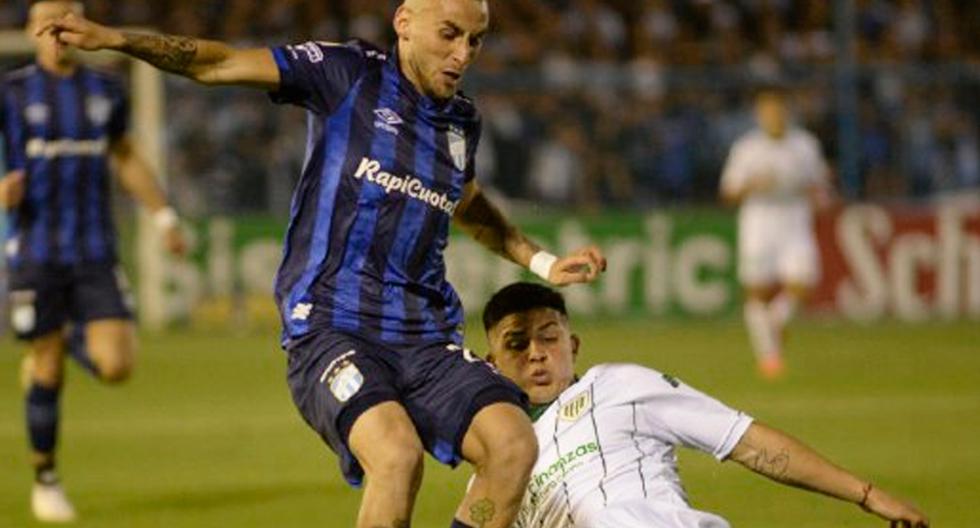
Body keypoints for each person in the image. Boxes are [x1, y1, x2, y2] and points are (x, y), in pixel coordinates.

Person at [39, 2, 608, 527]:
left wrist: (540, 259)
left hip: (426, 337)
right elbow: (217, 64)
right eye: (450, 34)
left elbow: (468, 203)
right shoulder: (347, 76)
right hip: (332, 328)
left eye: (477, 41)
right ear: (404, 21)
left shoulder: (461, 122)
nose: (463, 54)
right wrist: (115, 38)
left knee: (513, 445)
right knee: (396, 455)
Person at [481, 281, 930, 528]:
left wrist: (867, 496)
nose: (536, 353)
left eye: (549, 338)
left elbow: (747, 443)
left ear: (573, 345)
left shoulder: (618, 386)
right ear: (492, 364)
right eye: (517, 344)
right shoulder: (497, 463)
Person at [0, 0, 187, 523]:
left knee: (117, 365)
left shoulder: (105, 90)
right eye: (48, 25)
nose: (58, 34)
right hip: (35, 249)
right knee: (48, 366)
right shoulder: (11, 92)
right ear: (32, 33)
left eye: (67, 23)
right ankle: (46, 477)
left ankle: (57, 337)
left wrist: (164, 217)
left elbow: (125, 156)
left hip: (95, 251)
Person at [719, 86, 832, 379]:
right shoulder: (747, 148)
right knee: (757, 292)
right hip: (759, 225)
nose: (773, 116)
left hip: (795, 222)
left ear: (787, 112)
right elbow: (728, 192)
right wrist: (753, 185)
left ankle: (775, 323)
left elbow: (819, 184)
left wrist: (814, 193)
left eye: (778, 110)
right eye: (767, 111)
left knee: (804, 283)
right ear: (759, 115)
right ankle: (769, 358)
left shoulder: (805, 145)